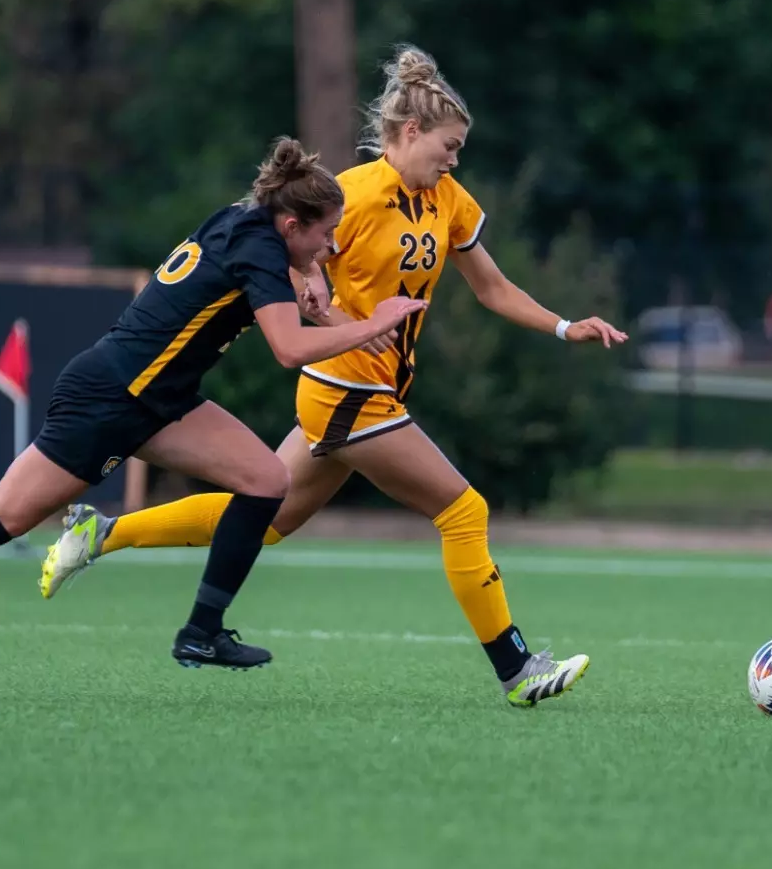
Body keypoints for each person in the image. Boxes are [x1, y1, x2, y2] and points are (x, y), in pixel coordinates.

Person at [37, 46, 626, 707]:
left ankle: (101, 532)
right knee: (465, 510)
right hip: (347, 386)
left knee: (266, 520)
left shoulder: (447, 199)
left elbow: (490, 287)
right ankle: (518, 671)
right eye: (449, 145)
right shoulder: (356, 193)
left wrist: (563, 325)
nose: (455, 159)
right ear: (409, 134)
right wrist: (315, 293)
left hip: (368, 389)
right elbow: (287, 253)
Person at [0, 139, 425, 698]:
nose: (332, 247)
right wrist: (376, 320)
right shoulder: (263, 250)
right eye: (326, 235)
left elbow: (278, 285)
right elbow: (287, 350)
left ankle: (202, 631)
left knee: (267, 480)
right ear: (291, 225)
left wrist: (320, 295)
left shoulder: (243, 221)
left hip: (159, 398)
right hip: (110, 397)